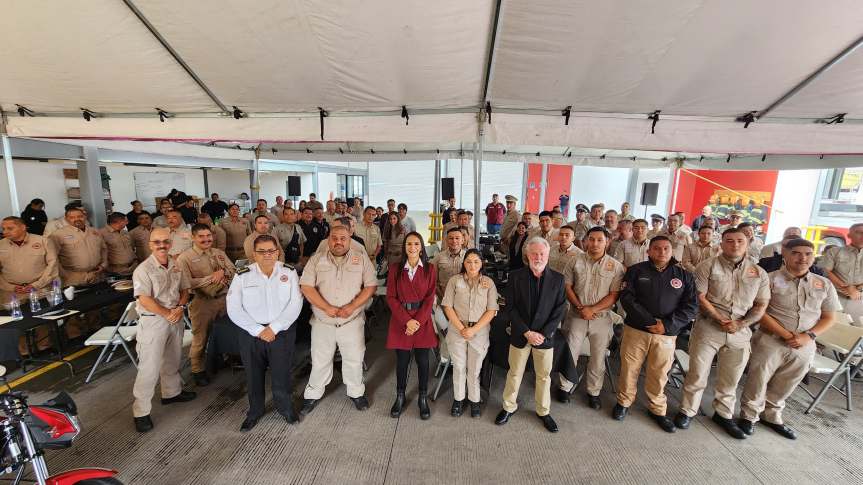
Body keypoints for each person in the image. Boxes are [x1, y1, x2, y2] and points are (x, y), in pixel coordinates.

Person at [738, 238, 840, 439]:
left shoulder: (823, 284)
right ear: (785, 254)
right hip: (770, 339)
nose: (803, 258)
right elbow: (759, 310)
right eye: (797, 253)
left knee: (788, 381)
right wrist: (785, 334)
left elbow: (829, 317)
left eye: (808, 254)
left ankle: (772, 415)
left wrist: (808, 336)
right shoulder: (768, 279)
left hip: (805, 343)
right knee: (758, 379)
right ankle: (749, 416)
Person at [675, 228, 770, 439]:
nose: (734, 245)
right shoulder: (707, 266)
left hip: (740, 331)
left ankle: (723, 414)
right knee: (697, 373)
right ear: (722, 243)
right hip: (709, 327)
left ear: (747, 243)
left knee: (731, 377)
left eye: (739, 241)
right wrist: (720, 319)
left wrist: (741, 323)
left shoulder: (758, 273)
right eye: (729, 241)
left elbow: (761, 304)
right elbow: (700, 297)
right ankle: (688, 410)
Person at [614, 236, 698, 432]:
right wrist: (650, 322)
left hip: (666, 334)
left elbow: (691, 306)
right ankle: (624, 402)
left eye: (666, 248)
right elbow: (626, 298)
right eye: (657, 248)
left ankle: (657, 408)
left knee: (659, 373)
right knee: (629, 368)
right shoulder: (636, 271)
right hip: (636, 329)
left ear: (672, 251)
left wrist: (667, 325)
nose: (662, 252)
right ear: (649, 251)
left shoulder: (684, 276)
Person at [226, 234, 302, 431]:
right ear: (254, 254)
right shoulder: (242, 274)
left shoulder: (289, 272)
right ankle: (255, 411)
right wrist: (259, 330)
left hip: (281, 333)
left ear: (277, 252)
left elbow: (295, 304)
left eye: (271, 251)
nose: (267, 255)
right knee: (253, 375)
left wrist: (274, 328)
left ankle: (285, 408)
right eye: (262, 251)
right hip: (252, 334)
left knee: (282, 373)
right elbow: (233, 308)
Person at [299, 226, 377, 415]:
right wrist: (326, 307)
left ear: (350, 239)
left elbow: (371, 286)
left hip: (351, 321)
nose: (338, 242)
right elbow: (306, 287)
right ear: (328, 239)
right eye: (334, 238)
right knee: (320, 360)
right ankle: (313, 394)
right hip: (323, 322)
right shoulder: (317, 259)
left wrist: (351, 307)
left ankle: (356, 393)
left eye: (343, 238)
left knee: (354, 359)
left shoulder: (361, 259)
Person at [495, 237, 567, 433]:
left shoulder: (559, 280)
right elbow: (510, 308)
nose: (538, 257)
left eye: (542, 253)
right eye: (534, 253)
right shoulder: (516, 276)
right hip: (521, 335)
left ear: (548, 255)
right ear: (527, 255)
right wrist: (526, 332)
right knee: (514, 373)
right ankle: (508, 406)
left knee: (544, 376)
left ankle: (543, 411)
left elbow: (560, 310)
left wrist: (543, 334)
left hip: (545, 337)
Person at [131, 227, 195, 433]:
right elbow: (144, 299)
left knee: (173, 359)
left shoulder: (176, 265)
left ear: (170, 243)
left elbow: (185, 290)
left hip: (175, 317)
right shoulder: (143, 269)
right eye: (157, 242)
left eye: (165, 242)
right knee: (149, 368)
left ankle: (171, 393)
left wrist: (180, 307)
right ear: (150, 245)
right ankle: (141, 412)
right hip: (154, 321)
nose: (162, 245)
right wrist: (167, 313)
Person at [557, 227, 625, 408]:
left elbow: (614, 294)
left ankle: (593, 392)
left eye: (599, 240)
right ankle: (565, 387)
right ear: (586, 241)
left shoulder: (615, 266)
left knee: (598, 357)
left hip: (601, 318)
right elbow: (567, 286)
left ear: (607, 242)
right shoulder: (575, 261)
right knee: (570, 353)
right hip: (576, 316)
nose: (595, 244)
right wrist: (581, 308)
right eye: (592, 239)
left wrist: (592, 309)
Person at [386, 232, 438, 419]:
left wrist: (417, 321)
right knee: (402, 361)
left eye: (416, 243)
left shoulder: (430, 269)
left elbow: (430, 297)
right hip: (402, 320)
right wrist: (407, 320)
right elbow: (391, 297)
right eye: (409, 244)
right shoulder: (395, 269)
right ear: (404, 246)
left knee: (423, 362)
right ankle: (400, 396)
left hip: (421, 321)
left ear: (421, 246)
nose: (412, 247)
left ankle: (422, 397)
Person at [177, 223, 236, 386]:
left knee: (223, 332)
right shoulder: (185, 258)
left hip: (224, 300)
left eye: (208, 236)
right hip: (202, 303)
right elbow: (185, 282)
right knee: (200, 338)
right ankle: (197, 370)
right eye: (201, 236)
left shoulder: (219, 253)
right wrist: (211, 278)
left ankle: (219, 359)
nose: (206, 239)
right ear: (193, 238)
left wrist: (223, 272)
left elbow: (233, 270)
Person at [442, 249, 498, 418]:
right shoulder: (454, 281)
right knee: (459, 367)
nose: (472, 265)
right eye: (468, 261)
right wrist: (461, 328)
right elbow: (447, 306)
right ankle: (458, 399)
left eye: (476, 261)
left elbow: (491, 310)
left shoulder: (488, 283)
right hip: (457, 329)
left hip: (479, 331)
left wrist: (473, 329)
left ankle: (474, 400)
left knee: (474, 369)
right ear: (463, 263)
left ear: (482, 264)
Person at [0, 216, 59, 355]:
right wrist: (10, 287)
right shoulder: (1, 245)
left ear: (23, 227)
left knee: (42, 317)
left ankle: (44, 347)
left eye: (10, 228)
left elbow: (52, 265)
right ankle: (25, 352)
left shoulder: (42, 241)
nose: (5, 231)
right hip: (12, 291)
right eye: (3, 228)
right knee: (17, 322)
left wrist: (37, 284)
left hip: (39, 288)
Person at [50, 207, 107, 286]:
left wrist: (103, 265)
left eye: (80, 216)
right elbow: (52, 258)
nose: (77, 219)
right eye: (72, 217)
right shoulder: (58, 235)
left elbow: (104, 249)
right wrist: (64, 274)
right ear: (66, 219)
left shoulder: (95, 231)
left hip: (97, 275)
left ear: (85, 217)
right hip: (74, 278)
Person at [821, 222, 863, 326]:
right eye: (858, 232)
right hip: (835, 295)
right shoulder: (835, 251)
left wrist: (856, 289)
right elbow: (826, 271)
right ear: (849, 235)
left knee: (858, 327)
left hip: (860, 297)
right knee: (834, 325)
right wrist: (846, 287)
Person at [100, 212, 138, 276]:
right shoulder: (101, 233)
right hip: (115, 271)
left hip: (132, 268)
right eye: (126, 221)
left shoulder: (125, 232)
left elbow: (131, 248)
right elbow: (100, 252)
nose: (127, 223)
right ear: (119, 221)